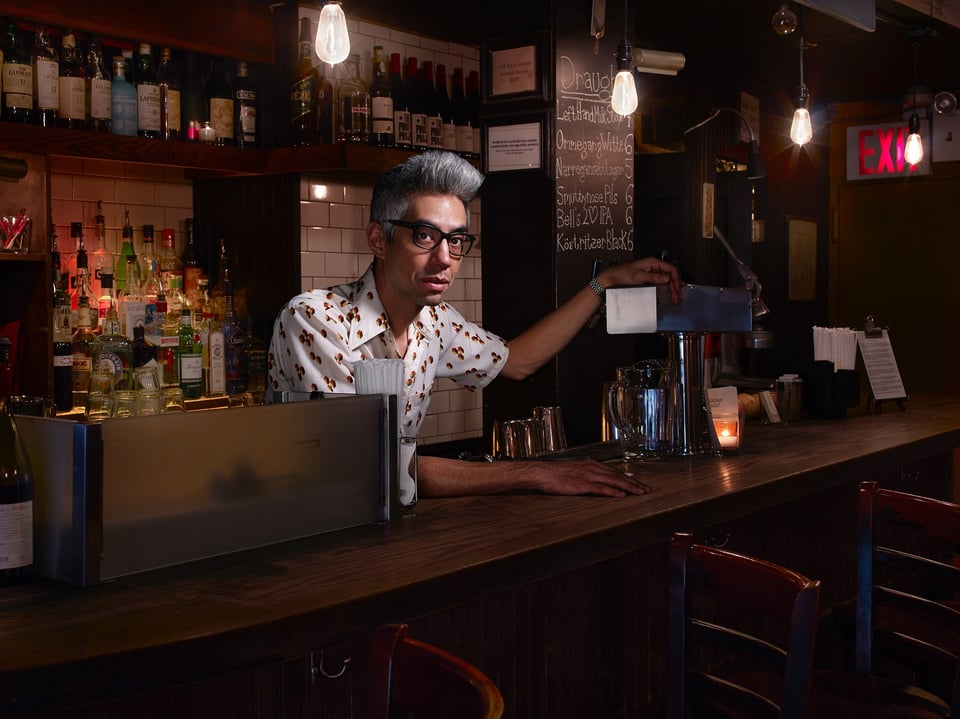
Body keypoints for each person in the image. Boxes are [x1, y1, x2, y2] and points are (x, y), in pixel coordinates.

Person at [268, 151, 681, 498]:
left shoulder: (434, 322)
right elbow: (365, 464)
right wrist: (533, 473)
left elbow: (517, 359)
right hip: (303, 537)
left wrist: (604, 283)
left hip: (382, 533)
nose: (446, 258)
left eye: (457, 240)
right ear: (379, 239)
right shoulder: (315, 319)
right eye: (426, 236)